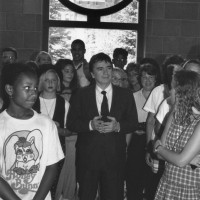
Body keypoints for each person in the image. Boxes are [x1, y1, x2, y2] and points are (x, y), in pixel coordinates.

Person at [67, 52, 138, 200]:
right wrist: (90, 125)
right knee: (86, 195)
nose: (106, 72)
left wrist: (117, 126)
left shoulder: (125, 94)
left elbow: (133, 123)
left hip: (114, 157)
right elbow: (71, 123)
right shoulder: (81, 94)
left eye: (108, 68)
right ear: (92, 74)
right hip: (88, 157)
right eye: (100, 69)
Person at [0, 62, 64, 200]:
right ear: (10, 89)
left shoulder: (46, 123)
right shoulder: (1, 124)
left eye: (35, 88)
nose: (33, 93)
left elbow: (52, 166)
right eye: (27, 88)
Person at [154, 69, 200, 200]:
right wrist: (187, 159)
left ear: (183, 92)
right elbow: (158, 155)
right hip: (168, 184)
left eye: (172, 88)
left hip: (190, 190)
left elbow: (179, 161)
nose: (168, 91)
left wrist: (161, 148)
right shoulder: (173, 115)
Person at [32, 66, 70, 199]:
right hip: (35, 148)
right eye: (47, 80)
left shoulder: (63, 103)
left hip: (57, 147)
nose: (50, 83)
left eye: (53, 80)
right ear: (41, 82)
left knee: (51, 183)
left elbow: (70, 130)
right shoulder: (32, 100)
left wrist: (57, 129)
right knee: (34, 181)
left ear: (58, 83)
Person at [126, 63, 160, 200]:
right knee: (134, 178)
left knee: (152, 178)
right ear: (140, 79)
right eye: (144, 77)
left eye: (151, 77)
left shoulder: (161, 96)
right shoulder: (132, 97)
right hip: (135, 140)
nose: (147, 80)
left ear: (156, 78)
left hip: (154, 139)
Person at [54, 59, 78, 200]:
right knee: (57, 173)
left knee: (71, 173)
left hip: (74, 137)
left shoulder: (78, 92)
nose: (70, 74)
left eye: (72, 71)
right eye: (66, 71)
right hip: (57, 137)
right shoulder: (53, 93)